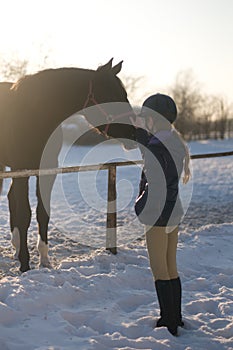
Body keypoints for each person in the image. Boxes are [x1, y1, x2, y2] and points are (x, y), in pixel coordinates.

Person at [134, 93, 191, 336]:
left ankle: (168, 321)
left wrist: (141, 206)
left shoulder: (158, 147)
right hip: (173, 211)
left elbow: (156, 184)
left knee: (159, 269)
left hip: (158, 214)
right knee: (170, 265)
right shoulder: (173, 141)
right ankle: (175, 317)